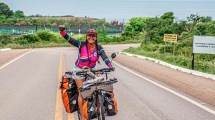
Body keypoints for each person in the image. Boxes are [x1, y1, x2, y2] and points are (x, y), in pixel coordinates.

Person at [59, 25, 114, 120]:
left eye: (93, 36)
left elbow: (105, 57)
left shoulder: (98, 47)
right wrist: (62, 31)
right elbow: (69, 39)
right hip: (79, 70)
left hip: (92, 70)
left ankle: (97, 104)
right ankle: (83, 115)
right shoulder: (81, 44)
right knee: (82, 93)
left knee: (97, 87)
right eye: (89, 35)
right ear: (86, 36)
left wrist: (110, 66)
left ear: (96, 37)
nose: (91, 37)